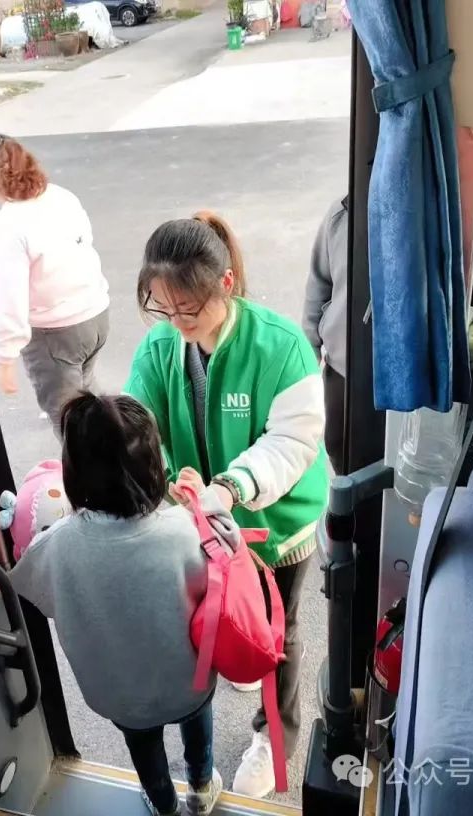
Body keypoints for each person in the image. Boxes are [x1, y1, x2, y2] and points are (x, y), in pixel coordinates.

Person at [124, 212, 328, 798]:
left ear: (227, 286)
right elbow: (141, 425)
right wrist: (165, 478)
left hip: (272, 523)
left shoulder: (281, 346)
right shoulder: (162, 343)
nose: (176, 322)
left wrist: (232, 488)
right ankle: (246, 662)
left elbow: (290, 442)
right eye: (163, 307)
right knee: (222, 618)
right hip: (200, 523)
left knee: (277, 634)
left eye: (188, 309)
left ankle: (275, 736)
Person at [8, 392, 227, 816]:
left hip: (120, 694)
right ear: (154, 470)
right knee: (197, 727)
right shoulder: (185, 531)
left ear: (72, 476)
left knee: (144, 748)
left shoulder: (56, 546)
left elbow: (38, 593)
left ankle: (164, 803)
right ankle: (201, 787)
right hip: (190, 681)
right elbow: (213, 584)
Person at [0, 134, 110, 433]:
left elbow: (8, 299)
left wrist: (5, 361)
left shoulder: (6, 230)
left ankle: (96, 476)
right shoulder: (62, 196)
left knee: (72, 427)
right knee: (92, 406)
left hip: (57, 335)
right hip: (95, 317)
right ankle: (120, 456)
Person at [302, 195, 349, 474]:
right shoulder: (342, 213)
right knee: (337, 446)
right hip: (341, 368)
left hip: (396, 374)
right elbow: (320, 283)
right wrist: (309, 352)